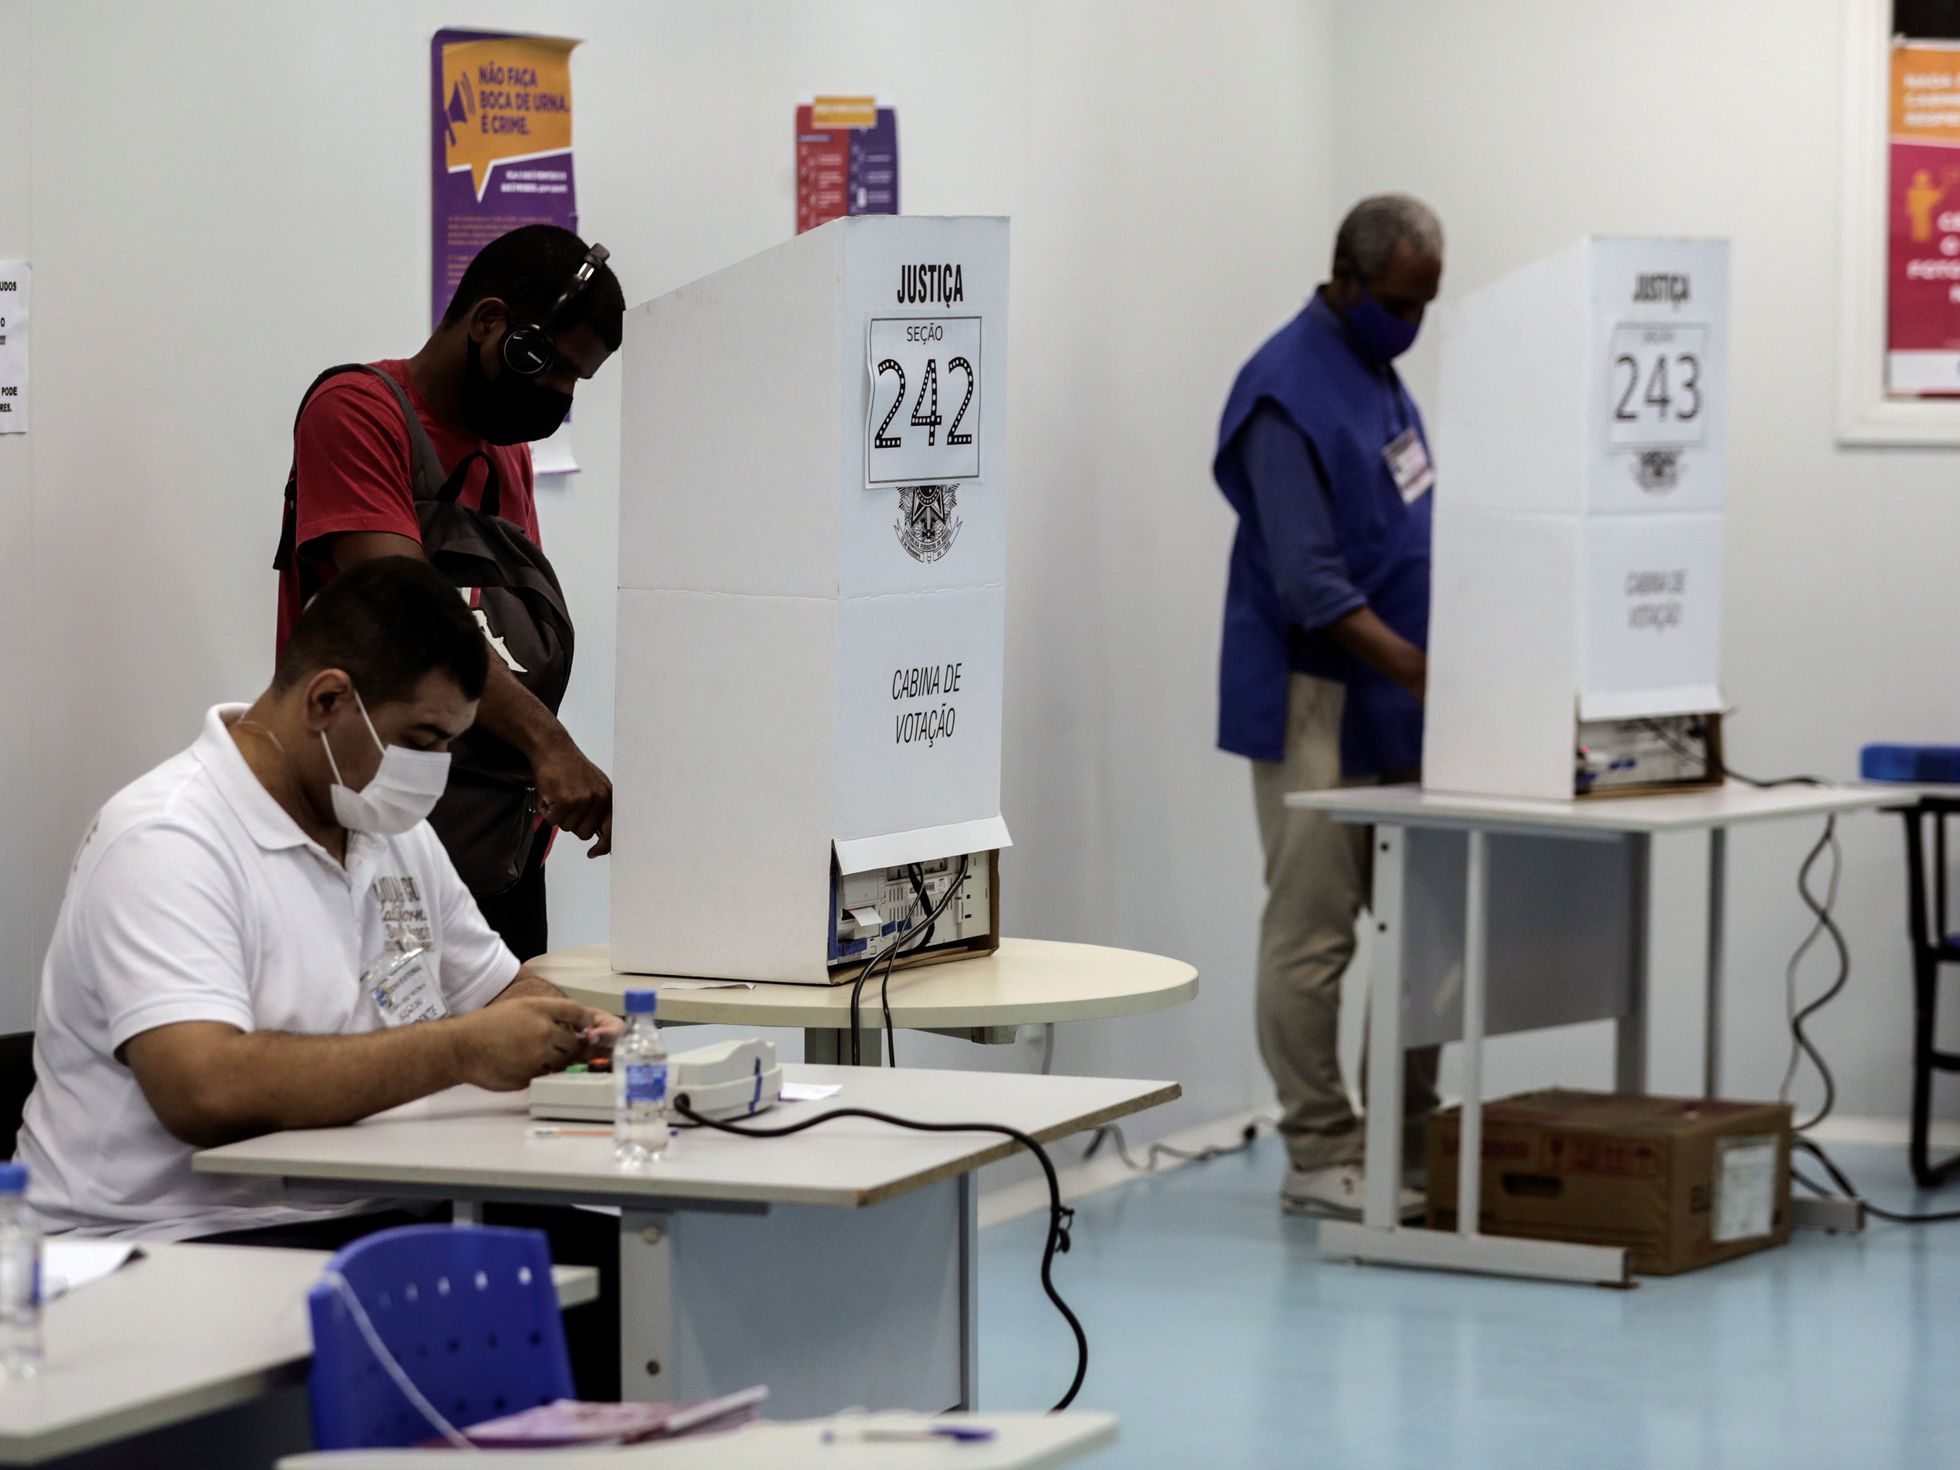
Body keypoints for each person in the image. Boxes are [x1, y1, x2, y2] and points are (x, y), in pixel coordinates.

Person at [15, 556, 622, 1244]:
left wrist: (577, 1031)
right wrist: (460, 1052)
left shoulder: (383, 828)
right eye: (421, 740)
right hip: (173, 1235)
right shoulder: (167, 840)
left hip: (373, 1209)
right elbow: (203, 1090)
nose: (435, 769)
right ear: (327, 700)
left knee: (635, 1279)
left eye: (450, 743)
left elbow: (495, 993)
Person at [275, 224, 626, 959]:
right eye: (546, 363)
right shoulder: (357, 411)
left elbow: (512, 633)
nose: (556, 393)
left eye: (575, 381)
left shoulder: (506, 455)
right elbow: (417, 614)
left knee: (516, 1055)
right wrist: (551, 745)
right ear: (488, 322)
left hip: (496, 858)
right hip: (366, 843)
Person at [1213, 195, 1446, 1219]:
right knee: (1314, 934)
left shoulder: (1377, 376)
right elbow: (1310, 583)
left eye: (1426, 304)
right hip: (1318, 696)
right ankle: (1317, 1151)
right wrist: (1420, 668)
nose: (1413, 322)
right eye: (1400, 302)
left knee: (1426, 925)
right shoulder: (1284, 392)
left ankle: (1400, 1138)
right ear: (1345, 280)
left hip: (1395, 699)